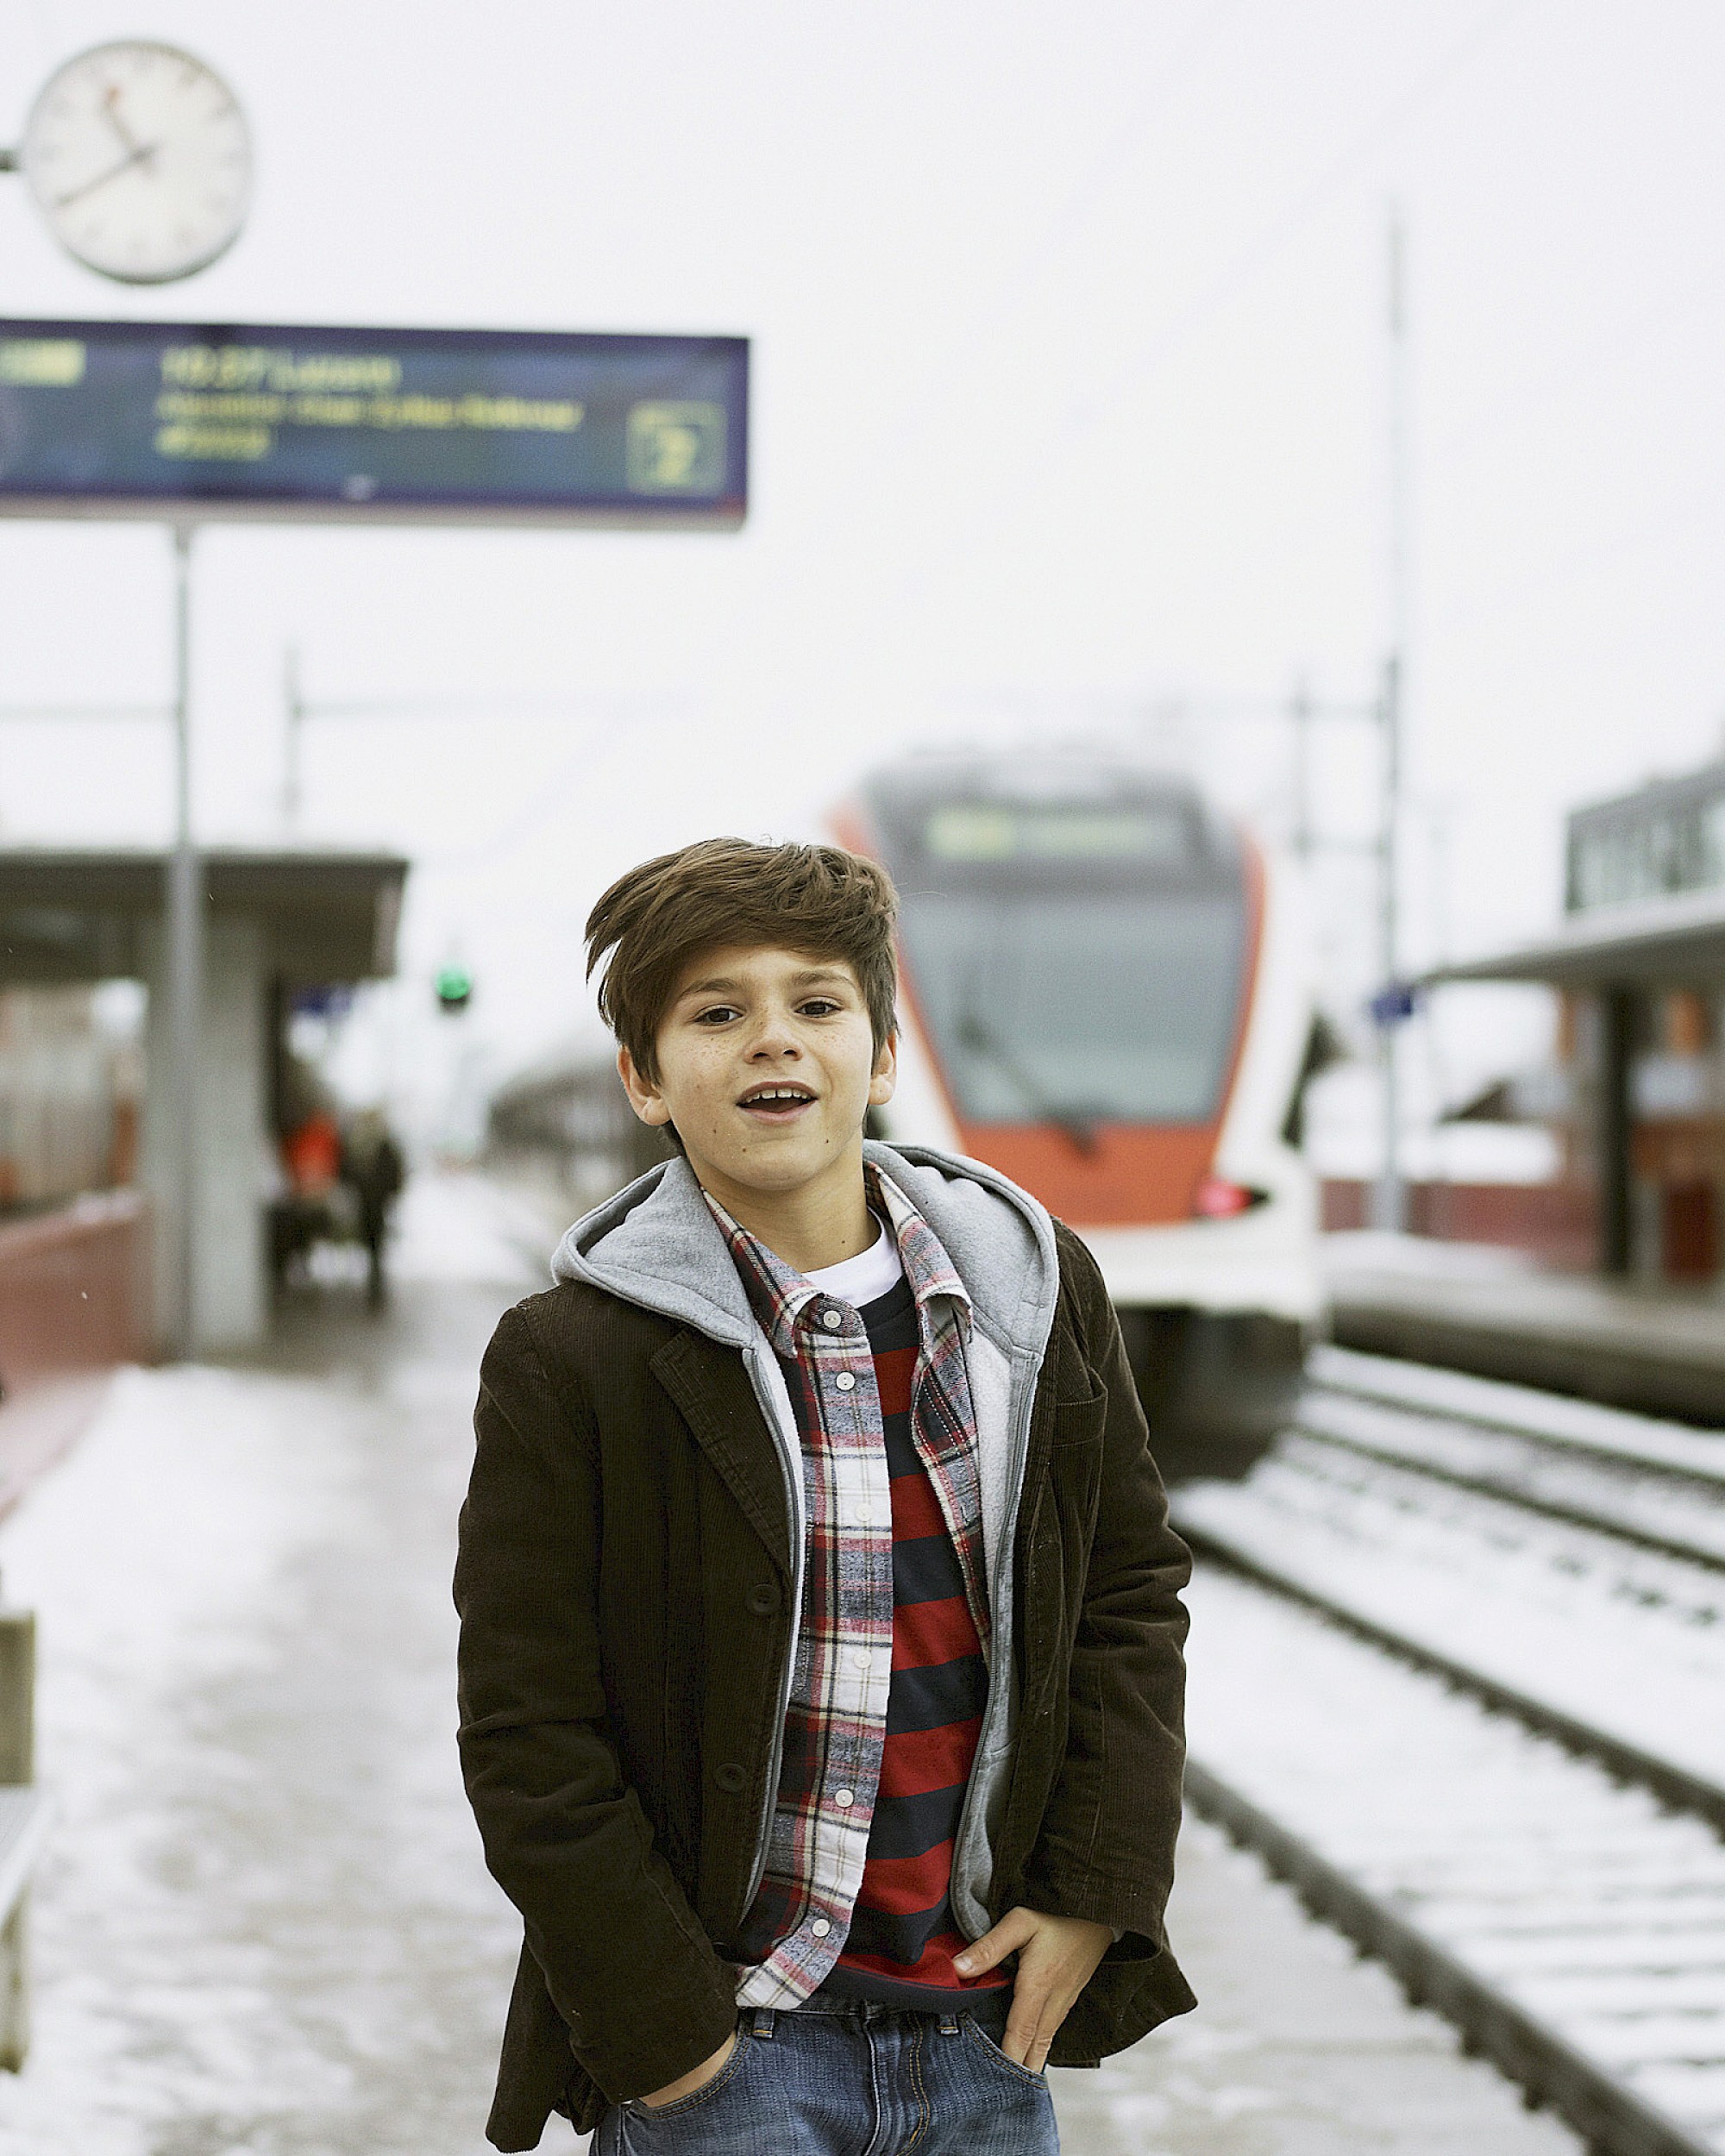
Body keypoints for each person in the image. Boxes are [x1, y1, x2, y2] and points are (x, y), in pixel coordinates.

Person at [455, 838, 1193, 2153]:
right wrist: (671, 2039)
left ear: (885, 1052)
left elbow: (1128, 1595)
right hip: (729, 2051)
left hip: (979, 2033)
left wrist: (1098, 1887)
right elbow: (529, 1727)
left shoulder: (1031, 1298)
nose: (771, 1040)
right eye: (717, 1013)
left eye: (815, 1003)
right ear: (644, 1079)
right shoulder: (574, 1357)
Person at [340, 1107, 405, 1309]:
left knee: (376, 1248)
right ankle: (373, 1284)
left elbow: (396, 1175)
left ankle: (375, 1286)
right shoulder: (357, 1146)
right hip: (365, 1204)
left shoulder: (383, 1147)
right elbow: (346, 1172)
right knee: (369, 1246)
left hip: (377, 1205)